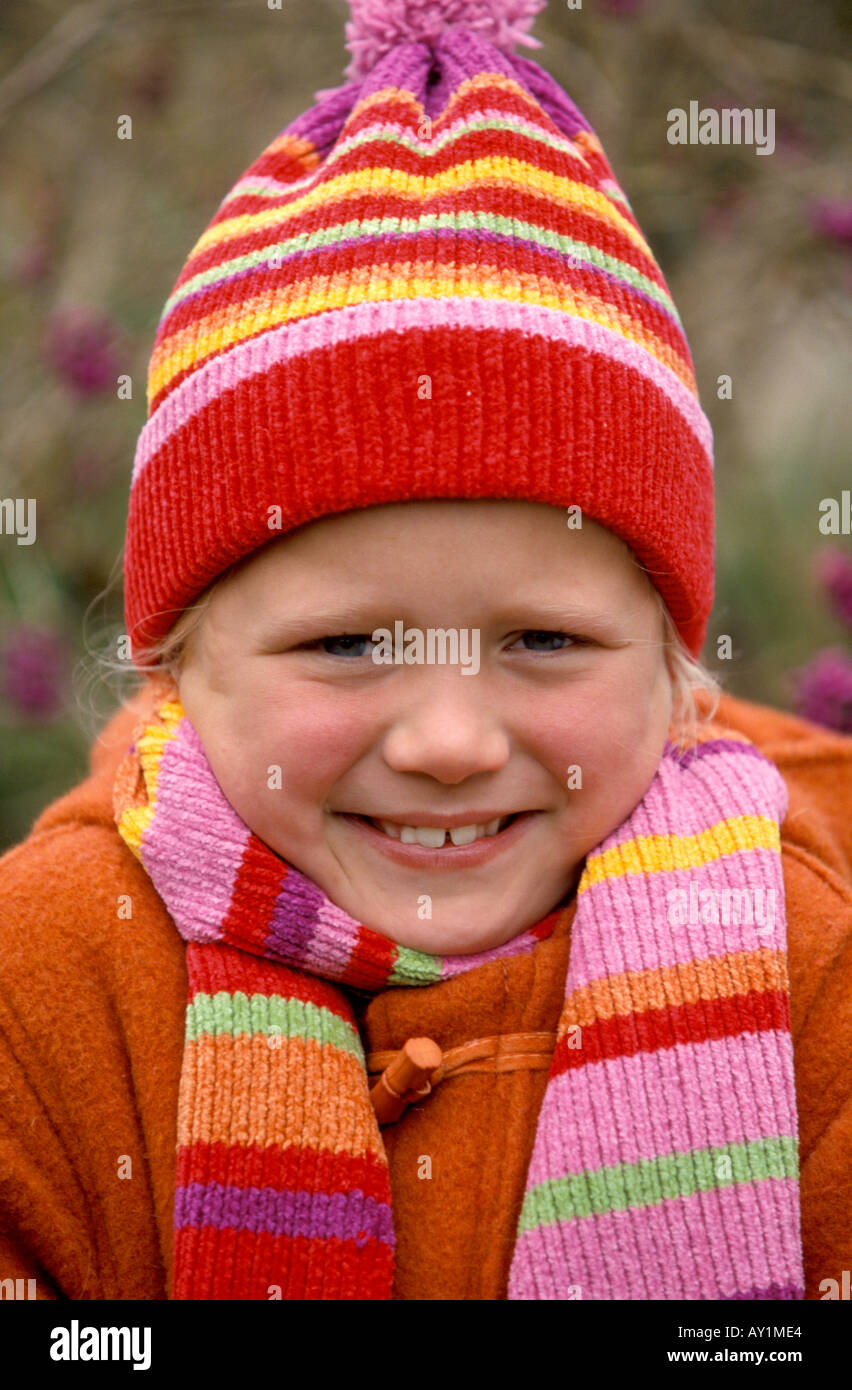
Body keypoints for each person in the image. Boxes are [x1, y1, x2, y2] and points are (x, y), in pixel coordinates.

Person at [1, 0, 850, 1301]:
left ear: (680, 678)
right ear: (172, 659)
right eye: (344, 643)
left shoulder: (800, 974)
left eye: (546, 640)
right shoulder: (54, 984)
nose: (449, 741)